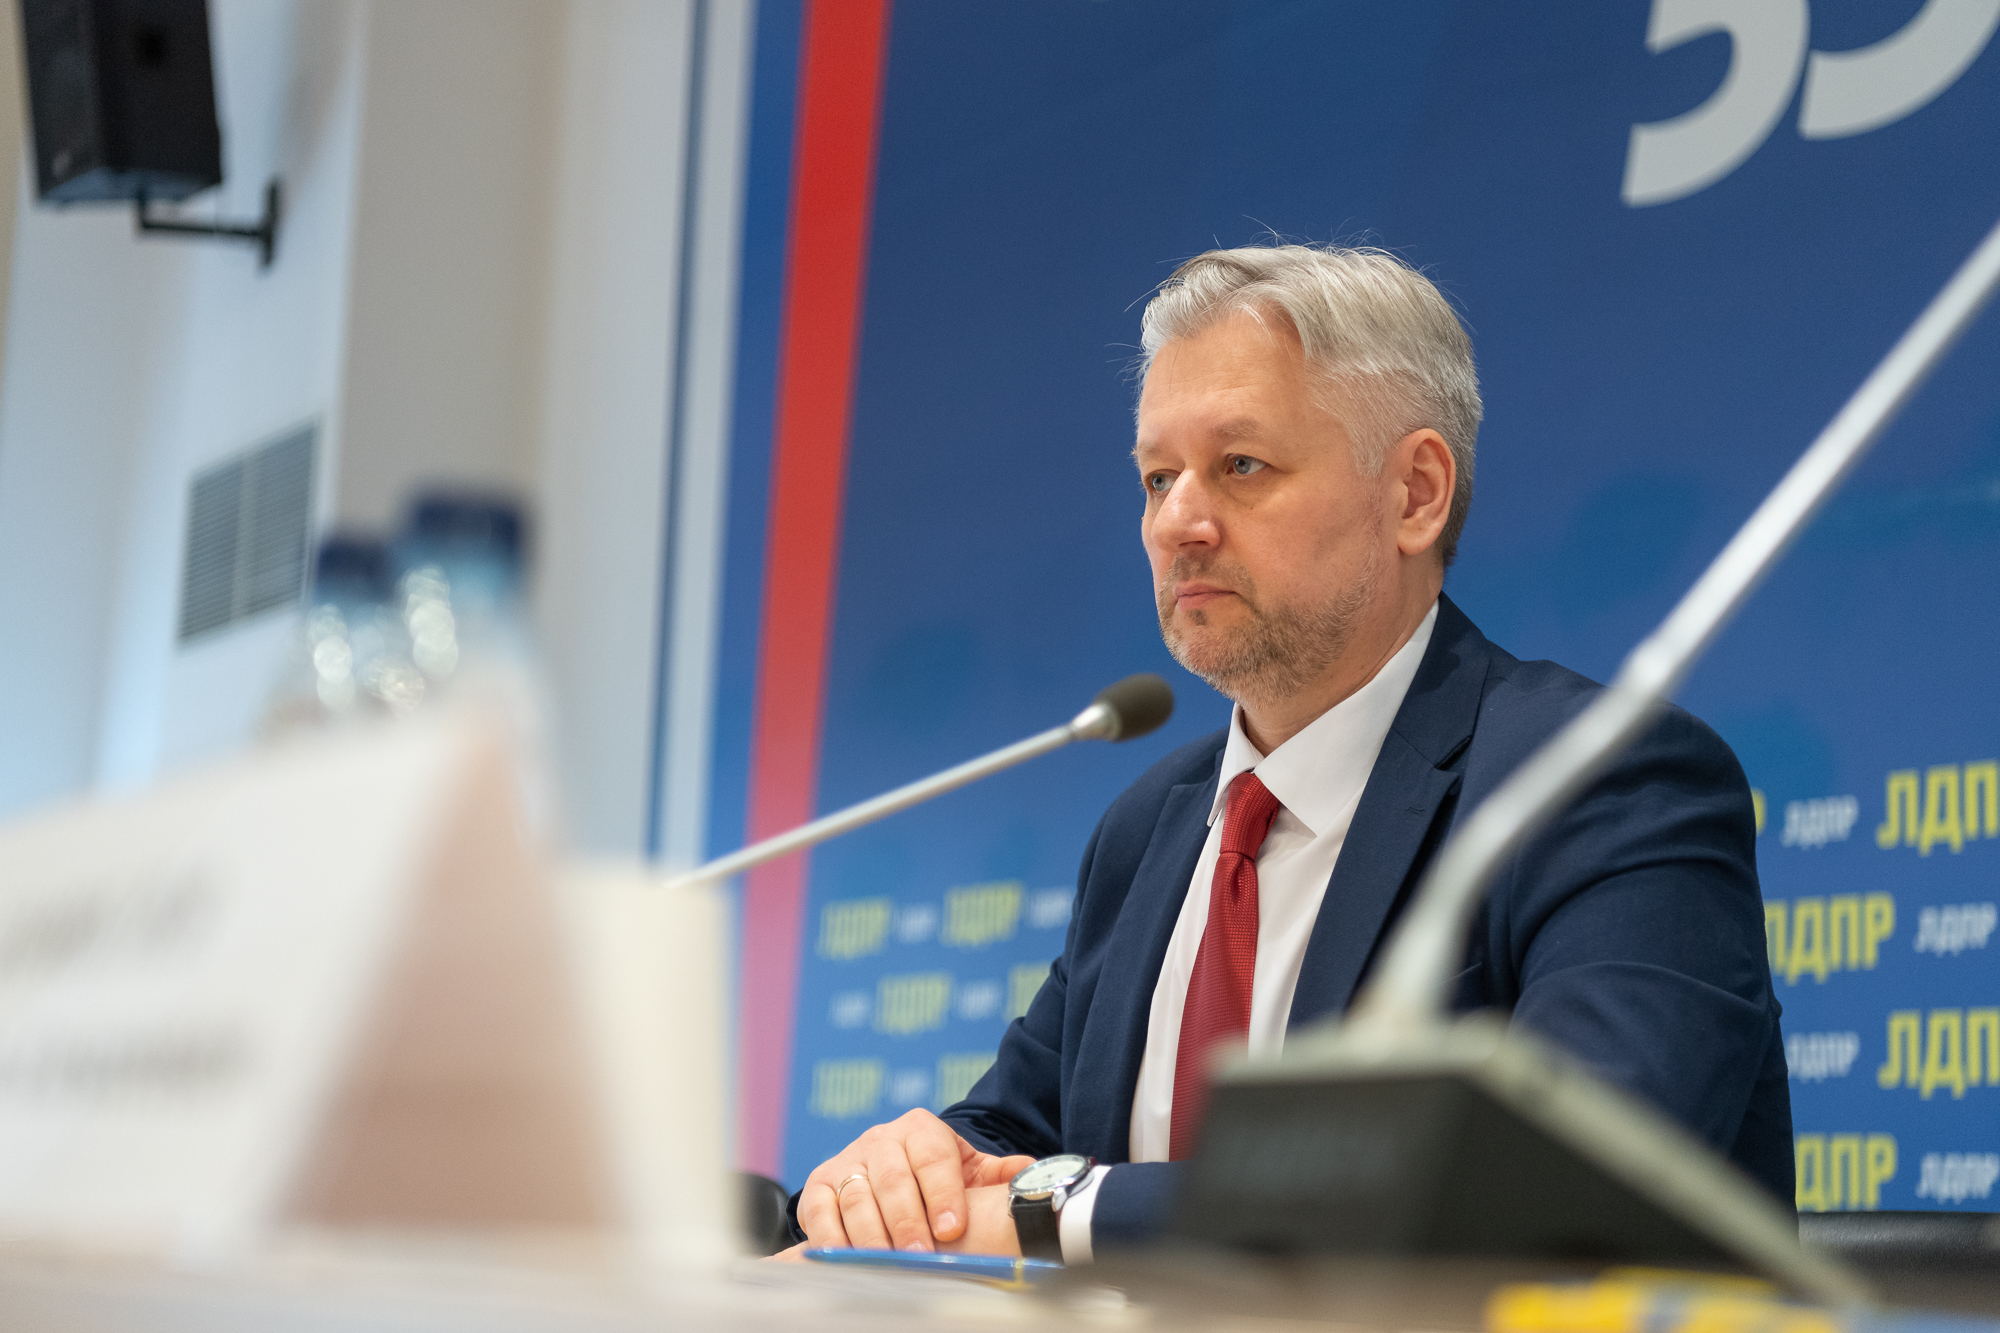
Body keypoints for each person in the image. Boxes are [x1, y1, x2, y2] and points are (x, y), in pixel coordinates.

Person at [781, 244, 1788, 1262]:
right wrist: (903, 1175)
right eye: (1157, 477)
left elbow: (1573, 1174)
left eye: (1240, 467)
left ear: (1414, 494)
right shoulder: (1149, 828)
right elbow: (1011, 1136)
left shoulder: (1598, 782)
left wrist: (1068, 1210)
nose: (1177, 522)